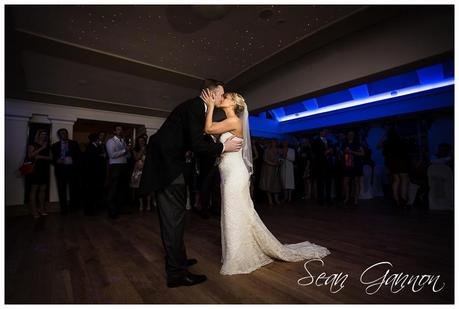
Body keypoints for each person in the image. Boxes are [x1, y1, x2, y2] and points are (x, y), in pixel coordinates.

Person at [202, 90, 330, 276]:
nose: (223, 98)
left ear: (233, 104)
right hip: (228, 173)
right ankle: (235, 253)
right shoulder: (227, 122)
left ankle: (237, 257)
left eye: (226, 97)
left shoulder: (234, 121)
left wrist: (211, 104)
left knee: (234, 212)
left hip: (235, 174)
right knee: (234, 212)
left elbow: (208, 129)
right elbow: (211, 130)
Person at [140, 79, 243, 288]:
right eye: (221, 94)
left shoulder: (197, 108)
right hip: (168, 170)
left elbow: (197, 139)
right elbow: (197, 144)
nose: (223, 98)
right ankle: (176, 273)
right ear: (211, 94)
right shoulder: (196, 107)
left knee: (176, 218)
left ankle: (179, 260)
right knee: (173, 220)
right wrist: (223, 148)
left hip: (170, 167)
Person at [51, 128, 81, 214]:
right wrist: (56, 161)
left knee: (73, 190)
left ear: (67, 134)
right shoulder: (55, 145)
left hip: (72, 170)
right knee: (61, 190)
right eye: (62, 133)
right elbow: (52, 159)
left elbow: (79, 156)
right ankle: (63, 209)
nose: (64, 135)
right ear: (59, 135)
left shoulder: (74, 143)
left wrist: (75, 163)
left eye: (65, 133)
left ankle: (73, 208)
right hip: (60, 170)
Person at [106, 125, 131, 219]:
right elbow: (112, 155)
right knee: (113, 189)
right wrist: (125, 150)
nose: (120, 131)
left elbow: (127, 156)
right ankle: (111, 211)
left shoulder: (123, 141)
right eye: (118, 129)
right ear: (114, 132)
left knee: (121, 189)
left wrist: (128, 152)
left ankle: (119, 209)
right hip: (115, 166)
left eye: (121, 129)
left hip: (124, 166)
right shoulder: (110, 141)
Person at [26, 129, 52, 218]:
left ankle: (41, 209)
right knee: (34, 190)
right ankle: (34, 211)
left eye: (45, 134)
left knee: (43, 190)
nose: (44, 136)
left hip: (44, 169)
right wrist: (41, 148)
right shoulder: (32, 144)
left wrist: (41, 156)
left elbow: (50, 158)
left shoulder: (47, 145)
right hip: (35, 169)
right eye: (42, 134)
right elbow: (30, 156)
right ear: (38, 135)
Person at [83, 133, 107, 215]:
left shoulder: (98, 146)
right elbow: (91, 160)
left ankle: (95, 209)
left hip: (98, 173)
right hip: (92, 174)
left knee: (96, 191)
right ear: (95, 139)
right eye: (98, 138)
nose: (100, 139)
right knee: (91, 192)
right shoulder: (90, 147)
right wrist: (101, 156)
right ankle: (89, 210)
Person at [130, 134, 150, 212]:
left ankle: (148, 204)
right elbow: (136, 157)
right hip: (138, 170)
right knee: (139, 188)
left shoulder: (148, 148)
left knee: (148, 187)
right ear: (137, 142)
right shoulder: (135, 149)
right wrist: (142, 150)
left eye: (143, 141)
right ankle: (141, 204)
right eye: (139, 141)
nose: (141, 142)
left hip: (146, 169)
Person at [258, 140, 282, 205]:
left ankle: (276, 199)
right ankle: (270, 200)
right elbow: (265, 159)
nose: (274, 143)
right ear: (271, 143)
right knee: (268, 184)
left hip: (276, 169)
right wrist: (272, 164)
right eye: (273, 142)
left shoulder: (278, 150)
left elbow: (280, 158)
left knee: (276, 184)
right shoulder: (267, 150)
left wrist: (279, 162)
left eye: (275, 142)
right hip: (268, 169)